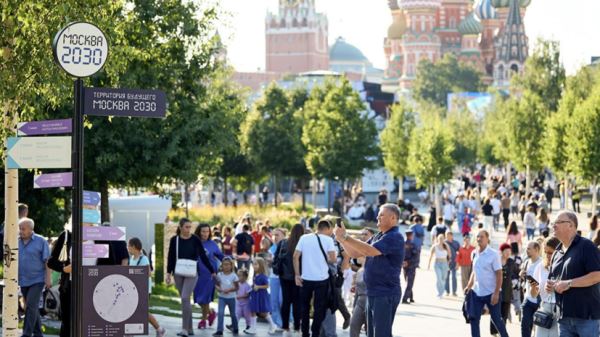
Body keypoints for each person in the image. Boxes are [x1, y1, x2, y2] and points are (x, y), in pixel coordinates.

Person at [334, 203, 405, 337]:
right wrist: (342, 240)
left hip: (385, 293)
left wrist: (346, 237)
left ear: (393, 218)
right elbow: (355, 253)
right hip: (372, 292)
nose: (377, 216)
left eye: (382, 214)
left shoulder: (394, 237)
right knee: (371, 333)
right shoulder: (378, 236)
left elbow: (369, 250)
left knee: (381, 334)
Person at [545, 210, 600, 336]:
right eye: (553, 223)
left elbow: (597, 275)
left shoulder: (587, 246)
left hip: (586, 318)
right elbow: (554, 278)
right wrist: (550, 285)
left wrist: (569, 283)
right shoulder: (556, 252)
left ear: (571, 225)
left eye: (558, 222)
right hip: (563, 318)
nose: (553, 226)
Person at [166, 218, 215, 337]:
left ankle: (184, 329)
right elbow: (171, 257)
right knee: (185, 301)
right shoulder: (175, 240)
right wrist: (168, 273)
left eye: (190, 227)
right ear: (181, 227)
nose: (189, 229)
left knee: (184, 297)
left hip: (193, 272)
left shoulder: (195, 239)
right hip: (178, 272)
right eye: (186, 227)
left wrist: (212, 270)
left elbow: (202, 256)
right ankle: (190, 329)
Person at [294, 219, 337, 337]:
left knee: (304, 307)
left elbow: (295, 256)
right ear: (327, 228)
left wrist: (297, 275)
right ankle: (315, 332)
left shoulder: (304, 238)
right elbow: (333, 260)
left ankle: (304, 333)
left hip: (305, 278)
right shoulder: (329, 240)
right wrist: (323, 259)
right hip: (322, 280)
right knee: (319, 308)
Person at [464, 230, 509, 337]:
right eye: (478, 236)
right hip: (477, 293)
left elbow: (499, 274)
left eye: (482, 237)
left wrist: (496, 293)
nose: (479, 239)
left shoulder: (494, 254)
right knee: (474, 319)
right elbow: (474, 271)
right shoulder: (474, 253)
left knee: (496, 319)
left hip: (491, 293)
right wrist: (469, 286)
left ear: (487, 239)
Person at [18, 217, 51, 337]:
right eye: (20, 228)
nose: (20, 231)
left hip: (37, 279)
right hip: (23, 280)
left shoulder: (41, 241)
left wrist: (48, 278)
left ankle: (26, 334)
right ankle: (38, 333)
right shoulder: (16, 241)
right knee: (32, 307)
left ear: (31, 229)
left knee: (30, 305)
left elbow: (47, 261)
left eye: (23, 229)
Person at [128, 237, 166, 337]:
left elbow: (148, 273)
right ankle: (130, 333)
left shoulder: (143, 258)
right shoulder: (131, 259)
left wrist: (135, 273)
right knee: (133, 310)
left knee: (143, 312)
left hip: (143, 289)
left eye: (129, 246)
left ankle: (159, 329)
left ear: (134, 247)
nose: (127, 248)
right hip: (133, 289)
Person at [275, 224, 304, 337]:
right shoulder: (303, 244)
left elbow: (276, 257)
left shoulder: (283, 243)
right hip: (299, 277)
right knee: (297, 303)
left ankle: (285, 328)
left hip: (284, 276)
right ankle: (297, 328)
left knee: (286, 302)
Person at [194, 224, 224, 329]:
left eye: (207, 231)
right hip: (196, 274)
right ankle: (211, 312)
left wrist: (230, 262)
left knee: (204, 298)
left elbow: (221, 256)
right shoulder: (194, 243)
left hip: (209, 275)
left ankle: (203, 320)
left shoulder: (212, 244)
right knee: (198, 299)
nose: (205, 234)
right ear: (199, 232)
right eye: (203, 231)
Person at [531, 237, 560, 337]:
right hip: (544, 309)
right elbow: (534, 295)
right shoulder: (540, 267)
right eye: (545, 252)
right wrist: (533, 287)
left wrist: (556, 288)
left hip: (559, 310)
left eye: (550, 253)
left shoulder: (564, 267)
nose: (547, 255)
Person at [47, 222, 72, 337]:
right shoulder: (67, 235)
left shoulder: (99, 236)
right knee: (68, 324)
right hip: (69, 288)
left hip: (94, 287)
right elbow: (51, 262)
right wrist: (64, 269)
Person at [490, 243, 517, 336]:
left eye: (509, 251)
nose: (508, 253)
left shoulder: (511, 262)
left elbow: (516, 272)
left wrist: (515, 281)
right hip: (496, 289)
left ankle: (502, 332)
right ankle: (493, 332)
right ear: (501, 252)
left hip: (507, 290)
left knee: (504, 313)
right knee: (495, 313)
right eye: (506, 251)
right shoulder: (496, 261)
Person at [247, 257, 279, 335]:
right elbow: (254, 285)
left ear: (261, 265)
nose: (254, 266)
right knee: (253, 310)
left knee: (263, 313)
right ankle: (253, 328)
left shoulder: (263, 276)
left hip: (261, 296)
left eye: (256, 264)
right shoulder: (255, 275)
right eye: (253, 264)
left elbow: (267, 286)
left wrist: (258, 287)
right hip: (255, 296)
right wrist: (251, 288)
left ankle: (273, 325)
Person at [520, 241, 542, 337]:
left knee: (538, 329)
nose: (527, 250)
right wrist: (521, 275)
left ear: (536, 249)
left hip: (539, 301)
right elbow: (524, 276)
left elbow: (540, 284)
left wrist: (528, 277)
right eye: (526, 248)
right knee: (525, 326)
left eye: (529, 248)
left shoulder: (542, 264)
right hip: (528, 300)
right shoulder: (526, 262)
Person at [213, 257, 239, 336]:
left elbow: (237, 287)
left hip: (231, 298)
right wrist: (219, 289)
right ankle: (219, 330)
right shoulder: (219, 275)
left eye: (228, 264)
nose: (226, 266)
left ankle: (235, 327)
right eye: (224, 265)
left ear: (231, 266)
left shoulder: (234, 276)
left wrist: (230, 290)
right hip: (222, 298)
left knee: (233, 314)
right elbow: (216, 285)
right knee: (220, 313)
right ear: (222, 266)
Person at [267, 228, 286, 330]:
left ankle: (287, 320)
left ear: (284, 236)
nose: (275, 237)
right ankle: (277, 323)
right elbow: (269, 264)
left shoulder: (287, 247)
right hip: (274, 277)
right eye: (273, 235)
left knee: (282, 300)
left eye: (277, 235)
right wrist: (269, 261)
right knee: (274, 301)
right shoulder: (271, 249)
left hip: (284, 278)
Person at [428, 234, 451, 299]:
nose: (441, 240)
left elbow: (449, 255)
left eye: (442, 238)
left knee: (443, 279)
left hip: (445, 264)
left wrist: (448, 264)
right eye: (440, 238)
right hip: (437, 264)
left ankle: (442, 291)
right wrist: (428, 265)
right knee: (439, 278)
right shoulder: (434, 246)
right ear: (438, 239)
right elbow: (431, 256)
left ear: (444, 239)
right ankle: (439, 293)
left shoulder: (446, 246)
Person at [349, 256, 367, 337]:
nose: (357, 256)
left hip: (372, 302)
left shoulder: (374, 270)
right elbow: (357, 292)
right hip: (360, 302)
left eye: (361, 255)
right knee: (353, 325)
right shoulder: (359, 271)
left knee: (370, 330)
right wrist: (354, 307)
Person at [402, 229, 419, 304]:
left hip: (404, 265)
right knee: (410, 282)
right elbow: (415, 256)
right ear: (411, 235)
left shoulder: (402, 244)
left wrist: (403, 262)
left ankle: (411, 297)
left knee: (408, 281)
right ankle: (405, 299)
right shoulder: (413, 245)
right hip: (411, 266)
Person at [444, 232, 460, 297]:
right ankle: (447, 291)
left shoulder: (456, 243)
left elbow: (459, 253)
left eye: (449, 235)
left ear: (452, 236)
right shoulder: (444, 243)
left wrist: (458, 263)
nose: (448, 237)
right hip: (446, 263)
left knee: (454, 277)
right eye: (446, 236)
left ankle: (454, 292)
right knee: (446, 277)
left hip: (454, 262)